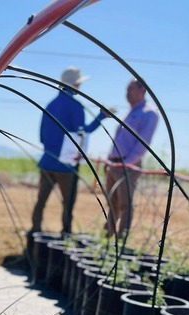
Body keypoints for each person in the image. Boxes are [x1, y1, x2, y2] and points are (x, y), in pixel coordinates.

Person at [30, 67, 107, 235]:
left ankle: (35, 229)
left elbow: (42, 136)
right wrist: (101, 117)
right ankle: (66, 233)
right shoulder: (75, 106)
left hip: (47, 160)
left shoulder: (50, 105)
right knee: (68, 202)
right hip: (66, 165)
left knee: (41, 200)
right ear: (75, 85)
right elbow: (82, 132)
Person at [103, 79, 159, 239]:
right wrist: (109, 159)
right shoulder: (131, 111)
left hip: (127, 165)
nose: (127, 94)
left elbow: (143, 143)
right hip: (115, 163)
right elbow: (118, 140)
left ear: (143, 90)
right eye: (126, 90)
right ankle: (107, 237)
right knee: (112, 202)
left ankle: (121, 240)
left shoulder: (149, 113)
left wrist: (128, 163)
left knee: (125, 204)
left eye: (131, 89)